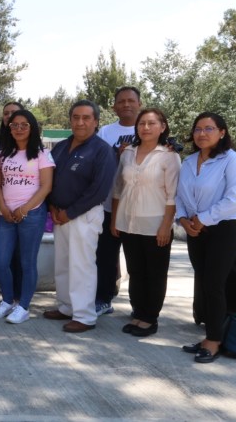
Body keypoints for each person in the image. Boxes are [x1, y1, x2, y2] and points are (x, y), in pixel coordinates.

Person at [177, 112, 236, 363]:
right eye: (198, 129)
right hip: (196, 231)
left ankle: (214, 340)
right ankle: (211, 333)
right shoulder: (188, 162)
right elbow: (179, 196)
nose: (202, 134)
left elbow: (234, 200)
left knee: (214, 285)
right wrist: (184, 220)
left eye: (209, 129)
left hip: (224, 229)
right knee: (204, 284)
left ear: (222, 132)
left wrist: (202, 218)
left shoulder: (232, 160)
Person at [43, 100, 116, 333]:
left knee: (81, 266)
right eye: (76, 117)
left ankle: (84, 316)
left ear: (95, 122)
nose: (80, 122)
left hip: (83, 216)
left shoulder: (102, 150)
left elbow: (99, 190)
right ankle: (65, 307)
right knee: (63, 264)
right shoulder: (62, 147)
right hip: (59, 214)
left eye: (86, 118)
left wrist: (70, 212)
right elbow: (49, 178)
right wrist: (53, 207)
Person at [111, 108, 180, 337]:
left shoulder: (169, 156)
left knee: (155, 273)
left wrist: (165, 226)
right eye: (142, 123)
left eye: (152, 123)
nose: (146, 127)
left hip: (155, 224)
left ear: (163, 127)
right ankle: (138, 313)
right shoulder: (128, 153)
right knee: (136, 271)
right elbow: (118, 189)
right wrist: (114, 219)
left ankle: (150, 318)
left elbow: (172, 195)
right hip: (128, 222)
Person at [0, 109, 54, 324]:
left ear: (32, 127)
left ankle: (24, 306)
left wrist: (25, 208)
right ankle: (7, 301)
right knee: (0, 262)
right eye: (14, 125)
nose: (18, 129)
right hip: (5, 215)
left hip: (32, 215)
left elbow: (46, 186)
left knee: (27, 263)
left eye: (24, 125)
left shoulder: (41, 153)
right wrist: (3, 206)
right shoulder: (2, 153)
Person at [94, 86, 141, 316]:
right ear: (114, 106)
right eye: (121, 101)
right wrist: (117, 155)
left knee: (138, 261)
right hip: (108, 204)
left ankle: (140, 306)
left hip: (139, 207)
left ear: (139, 104)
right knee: (105, 256)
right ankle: (103, 298)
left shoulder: (148, 127)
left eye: (130, 100)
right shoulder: (105, 132)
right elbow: (99, 162)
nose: (126, 105)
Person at [0, 101, 26, 302]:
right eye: (6, 113)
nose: (9, 117)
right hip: (0, 203)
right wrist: (0, 204)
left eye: (14, 113)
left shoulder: (32, 145)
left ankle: (19, 298)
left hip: (27, 208)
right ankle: (6, 297)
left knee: (21, 255)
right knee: (3, 256)